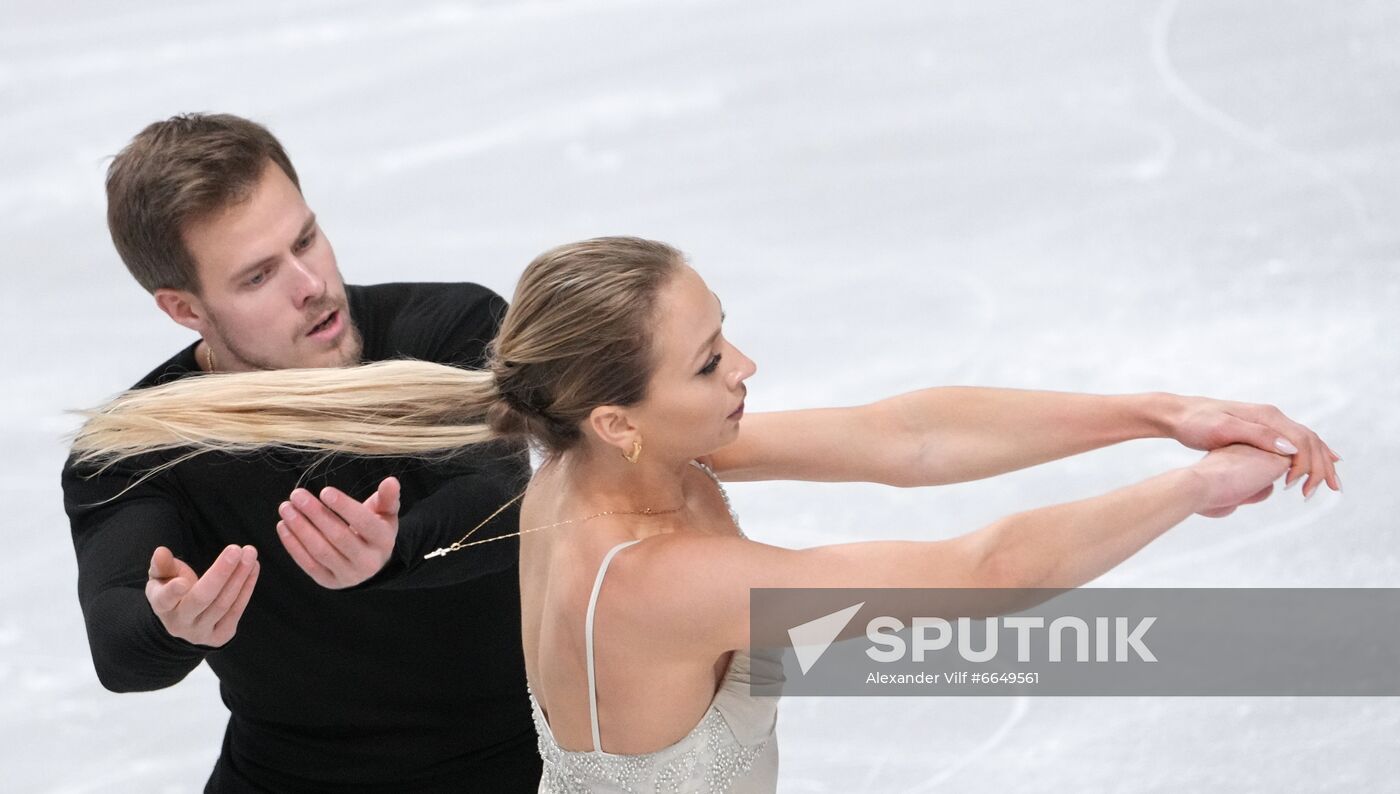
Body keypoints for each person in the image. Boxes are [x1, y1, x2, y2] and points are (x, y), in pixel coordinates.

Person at [71, 236, 1342, 793]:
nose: (744, 369)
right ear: (620, 414)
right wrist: (1189, 489)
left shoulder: (612, 455)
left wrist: (1154, 408)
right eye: (707, 360)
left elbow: (904, 436)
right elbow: (983, 569)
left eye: (721, 332)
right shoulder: (647, 570)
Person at [62, 113, 543, 792]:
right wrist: (174, 623)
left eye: (307, 240)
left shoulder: (449, 329)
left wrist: (394, 551)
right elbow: (120, 648)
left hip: (519, 763)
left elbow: (503, 501)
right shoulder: (140, 446)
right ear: (184, 309)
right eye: (257, 277)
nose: (310, 283)